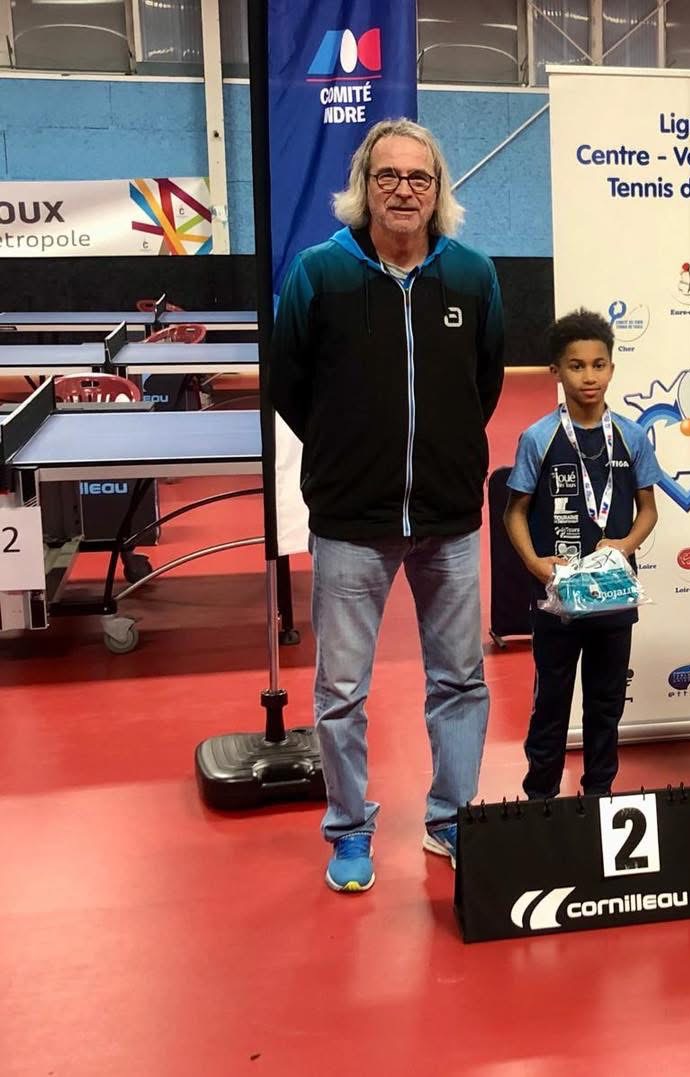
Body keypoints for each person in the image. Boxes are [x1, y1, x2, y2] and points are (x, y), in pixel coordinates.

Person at [270, 118, 505, 893]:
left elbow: (484, 383)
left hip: (448, 519)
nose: (404, 190)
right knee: (340, 691)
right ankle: (348, 829)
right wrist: (348, 452)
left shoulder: (472, 276)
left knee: (461, 679)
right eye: (389, 176)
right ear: (364, 186)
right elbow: (291, 384)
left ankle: (452, 817)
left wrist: (443, 452)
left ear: (438, 191)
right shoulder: (317, 273)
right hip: (350, 522)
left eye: (419, 177)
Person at [503, 309, 660, 799]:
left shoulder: (632, 436)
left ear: (612, 368)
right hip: (557, 598)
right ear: (556, 371)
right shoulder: (538, 437)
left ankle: (599, 796)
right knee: (551, 701)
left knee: (606, 704)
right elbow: (513, 513)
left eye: (598, 364)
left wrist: (626, 545)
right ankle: (541, 798)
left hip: (613, 595)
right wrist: (535, 563)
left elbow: (649, 510)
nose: (589, 376)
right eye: (576, 366)